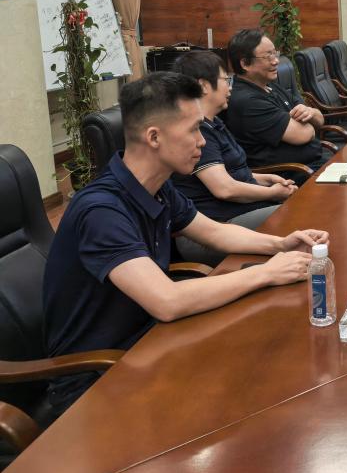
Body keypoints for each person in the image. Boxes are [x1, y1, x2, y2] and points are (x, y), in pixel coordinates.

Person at [43, 72, 327, 416]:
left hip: (151, 342)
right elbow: (167, 301)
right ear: (154, 137)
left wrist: (281, 244)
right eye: (193, 130)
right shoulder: (101, 210)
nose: (202, 142)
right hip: (96, 381)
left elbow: (216, 232)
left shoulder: (156, 187)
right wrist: (266, 273)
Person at [171, 50, 296, 225]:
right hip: (222, 221)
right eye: (225, 80)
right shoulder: (198, 131)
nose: (230, 87)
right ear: (203, 86)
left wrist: (266, 179)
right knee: (298, 211)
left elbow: (233, 173)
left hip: (247, 208)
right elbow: (224, 189)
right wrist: (272, 193)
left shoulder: (214, 123)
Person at [222, 29, 329, 180]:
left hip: (311, 165)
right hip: (289, 175)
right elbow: (303, 134)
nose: (276, 61)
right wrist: (310, 121)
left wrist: (310, 113)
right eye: (268, 56)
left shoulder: (270, 85)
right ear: (245, 63)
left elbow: (319, 119)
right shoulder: (248, 101)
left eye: (275, 53)